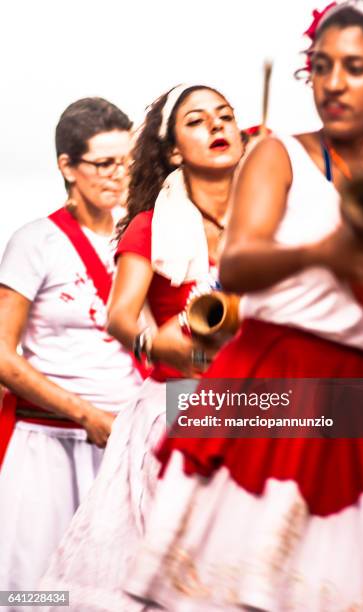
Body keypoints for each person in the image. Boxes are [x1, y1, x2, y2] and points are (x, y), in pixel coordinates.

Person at [122, 2, 363, 610]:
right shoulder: (276, 154)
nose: (334, 81)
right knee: (241, 587)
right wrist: (327, 253)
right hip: (275, 378)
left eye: (355, 67)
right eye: (323, 65)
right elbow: (238, 263)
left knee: (355, 589)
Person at [39, 84, 245, 611]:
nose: (217, 126)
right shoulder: (152, 227)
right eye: (197, 121)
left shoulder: (267, 225)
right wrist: (164, 346)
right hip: (178, 412)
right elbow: (120, 317)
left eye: (225, 116)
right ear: (173, 151)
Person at [0, 97, 142, 601]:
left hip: (126, 447)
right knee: (35, 592)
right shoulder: (34, 242)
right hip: (48, 445)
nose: (119, 175)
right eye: (104, 163)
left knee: (118, 593)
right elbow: (1, 354)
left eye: (127, 161)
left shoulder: (143, 239)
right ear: (67, 165)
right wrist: (85, 415)